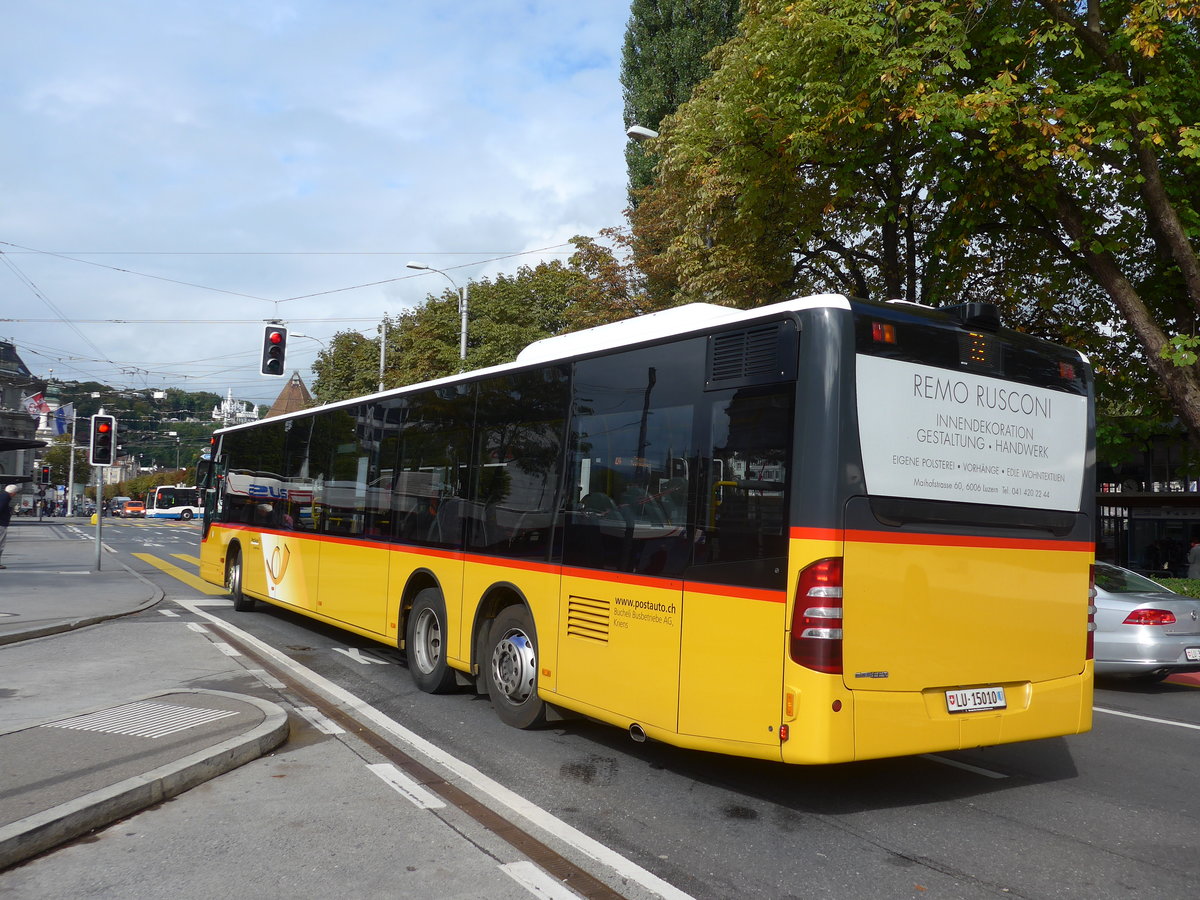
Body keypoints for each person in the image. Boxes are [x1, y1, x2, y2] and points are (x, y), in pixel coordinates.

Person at [0, 484, 17, 569]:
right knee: (0, 543)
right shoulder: (5, 497)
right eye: (15, 493)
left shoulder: (3, 496)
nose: (15, 494)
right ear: (12, 492)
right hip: (1, 524)